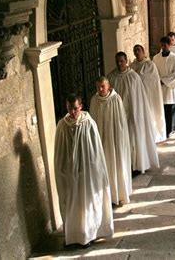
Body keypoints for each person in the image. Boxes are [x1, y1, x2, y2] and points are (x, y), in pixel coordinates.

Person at [54, 93, 113, 247]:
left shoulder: (89, 123)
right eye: (69, 109)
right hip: (69, 173)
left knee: (87, 203)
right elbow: (59, 151)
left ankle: (88, 234)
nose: (72, 112)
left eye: (75, 108)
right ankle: (73, 235)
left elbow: (96, 151)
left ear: (81, 106)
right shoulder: (62, 125)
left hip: (87, 172)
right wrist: (62, 171)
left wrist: (94, 170)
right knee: (72, 204)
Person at [108, 51, 159, 174]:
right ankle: (123, 165)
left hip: (132, 115)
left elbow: (139, 98)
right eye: (118, 61)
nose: (120, 64)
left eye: (122, 61)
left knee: (132, 139)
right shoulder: (111, 77)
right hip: (118, 115)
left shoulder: (133, 77)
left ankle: (135, 164)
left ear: (126, 61)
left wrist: (137, 114)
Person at [90, 77, 132, 205]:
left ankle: (118, 194)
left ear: (108, 86)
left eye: (103, 86)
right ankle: (105, 197)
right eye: (98, 87)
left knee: (116, 166)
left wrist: (118, 141)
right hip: (101, 141)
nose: (100, 89)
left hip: (114, 141)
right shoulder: (94, 100)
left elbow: (121, 123)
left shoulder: (116, 99)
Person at [130, 44, 167, 142]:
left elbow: (152, 81)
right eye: (135, 51)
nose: (136, 52)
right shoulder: (132, 66)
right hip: (137, 97)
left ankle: (153, 135)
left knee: (151, 115)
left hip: (149, 96)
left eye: (138, 50)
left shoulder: (150, 65)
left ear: (143, 52)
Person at [153, 36, 175, 138]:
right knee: (161, 108)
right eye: (162, 45)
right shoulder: (156, 58)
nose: (163, 47)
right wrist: (157, 80)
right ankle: (162, 129)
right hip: (159, 86)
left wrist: (163, 80)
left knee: (170, 108)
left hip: (169, 87)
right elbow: (153, 72)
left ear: (169, 45)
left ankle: (171, 128)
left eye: (165, 45)